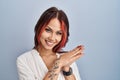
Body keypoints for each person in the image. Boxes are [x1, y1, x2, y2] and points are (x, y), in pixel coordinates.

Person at [16, 6, 84, 80]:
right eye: (48, 30)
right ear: (39, 28)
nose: (52, 38)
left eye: (58, 33)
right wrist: (59, 62)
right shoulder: (24, 60)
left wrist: (66, 69)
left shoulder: (67, 58)